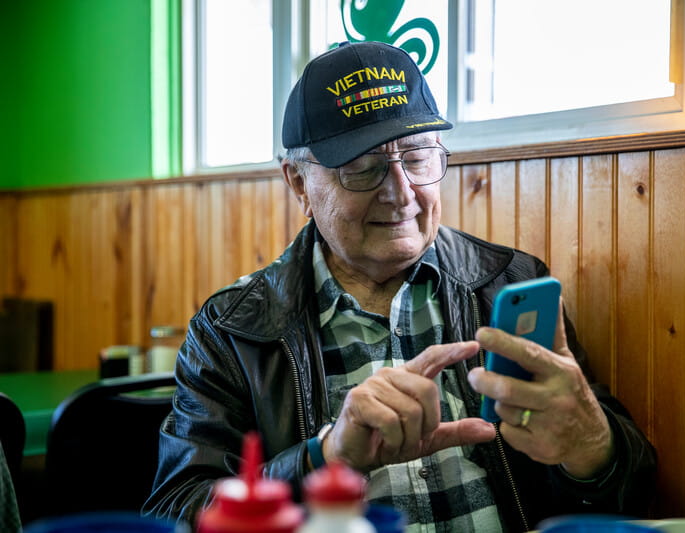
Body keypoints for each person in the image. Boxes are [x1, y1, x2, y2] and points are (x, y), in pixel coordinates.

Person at [144, 41, 656, 531]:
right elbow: (176, 511)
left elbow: (633, 493)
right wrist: (326, 458)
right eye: (363, 169)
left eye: (416, 158)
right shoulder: (232, 330)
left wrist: (591, 443)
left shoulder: (510, 285)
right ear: (298, 183)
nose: (400, 193)